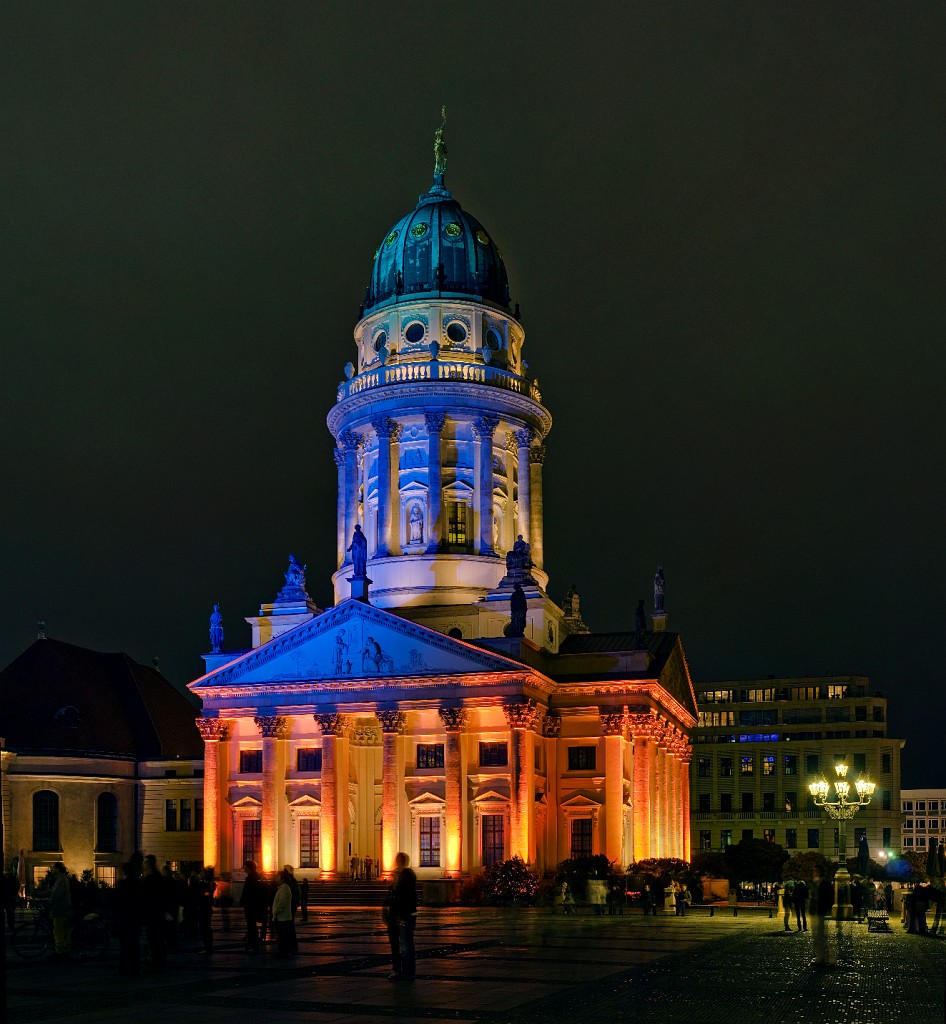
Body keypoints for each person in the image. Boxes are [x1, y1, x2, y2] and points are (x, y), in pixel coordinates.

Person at [386, 852, 418, 980]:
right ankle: (398, 970)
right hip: (395, 916)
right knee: (396, 945)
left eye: (399, 860)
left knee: (406, 945)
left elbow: (405, 898)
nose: (397, 863)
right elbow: (391, 899)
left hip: (404, 915)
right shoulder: (397, 878)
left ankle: (407, 972)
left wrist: (402, 915)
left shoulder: (407, 876)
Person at [115, 861, 142, 976]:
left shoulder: (124, 884)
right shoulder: (137, 883)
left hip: (125, 919)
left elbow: (118, 902)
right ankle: (134, 968)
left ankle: (125, 968)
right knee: (134, 945)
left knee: (125, 945)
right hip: (135, 919)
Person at [140, 855, 167, 971]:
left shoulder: (153, 878)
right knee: (154, 939)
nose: (143, 865)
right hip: (153, 912)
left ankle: (157, 962)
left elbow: (150, 896)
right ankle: (157, 961)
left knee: (155, 939)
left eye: (145, 862)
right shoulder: (155, 877)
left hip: (153, 913)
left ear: (149, 864)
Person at [240, 860, 267, 953]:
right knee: (252, 927)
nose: (243, 869)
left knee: (251, 927)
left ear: (249, 868)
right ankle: (252, 945)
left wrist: (245, 902)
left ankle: (253, 946)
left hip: (251, 906)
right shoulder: (254, 877)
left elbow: (251, 893)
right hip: (251, 905)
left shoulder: (252, 878)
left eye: (244, 867)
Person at [48, 862, 73, 961]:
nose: (52, 869)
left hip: (60, 910)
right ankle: (66, 951)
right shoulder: (62, 879)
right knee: (65, 932)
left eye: (53, 868)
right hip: (65, 909)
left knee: (58, 931)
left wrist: (49, 904)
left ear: (58, 869)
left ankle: (60, 952)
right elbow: (53, 892)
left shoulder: (60, 880)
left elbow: (56, 895)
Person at [811, 868, 835, 968]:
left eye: (815, 871)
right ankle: (821, 957)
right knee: (818, 935)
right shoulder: (818, 884)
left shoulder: (824, 884)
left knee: (819, 935)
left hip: (820, 912)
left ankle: (822, 958)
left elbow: (828, 897)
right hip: (817, 912)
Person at [271, 870, 297, 956]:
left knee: (283, 936)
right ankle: (283, 951)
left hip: (283, 917)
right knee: (282, 936)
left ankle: (284, 952)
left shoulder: (284, 889)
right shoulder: (282, 888)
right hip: (282, 917)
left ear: (283, 879)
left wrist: (275, 912)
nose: (276, 879)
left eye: (278, 877)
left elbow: (282, 903)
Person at [197, 868, 215, 954]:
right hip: (206, 908)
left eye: (202, 873)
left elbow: (206, 895)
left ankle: (208, 948)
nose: (200, 874)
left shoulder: (207, 884)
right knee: (206, 928)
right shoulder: (209, 883)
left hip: (204, 908)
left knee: (205, 929)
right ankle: (208, 947)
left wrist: (201, 895)